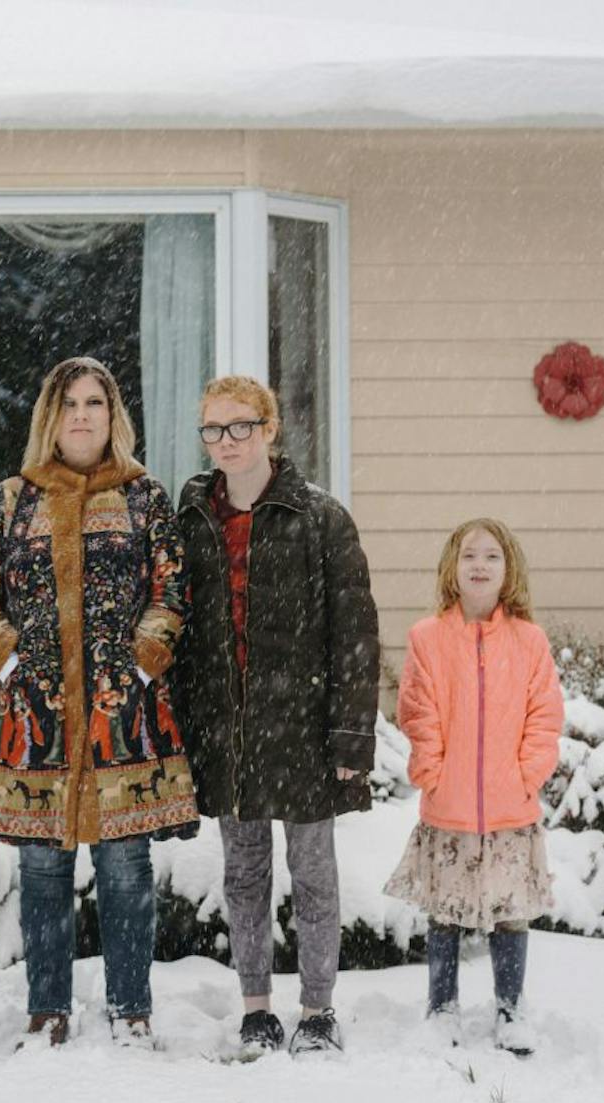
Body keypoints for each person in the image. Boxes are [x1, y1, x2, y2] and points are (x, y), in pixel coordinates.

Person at [0, 356, 199, 1049]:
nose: (83, 416)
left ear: (112, 415)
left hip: (124, 714)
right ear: (50, 418)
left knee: (126, 862)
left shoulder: (144, 497)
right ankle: (47, 1008)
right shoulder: (12, 500)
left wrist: (144, 664)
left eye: (95, 402)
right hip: (34, 713)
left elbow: (172, 588)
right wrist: (6, 661)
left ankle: (131, 1008)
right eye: (70, 404)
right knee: (42, 864)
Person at [172, 375, 380, 1059]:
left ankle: (318, 1008)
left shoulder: (319, 516)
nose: (226, 441)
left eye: (239, 426)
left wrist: (351, 735)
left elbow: (353, 631)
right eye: (213, 429)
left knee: (314, 872)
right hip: (227, 728)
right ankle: (256, 1006)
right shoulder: (194, 516)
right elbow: (182, 632)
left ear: (269, 428)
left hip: (304, 729)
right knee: (245, 872)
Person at [385, 518, 563, 1057]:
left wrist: (527, 774)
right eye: (469, 556)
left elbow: (545, 715)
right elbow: (417, 711)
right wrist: (432, 771)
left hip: (512, 807)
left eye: (491, 556)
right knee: (446, 911)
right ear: (452, 569)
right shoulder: (429, 638)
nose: (480, 565)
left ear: (508, 570)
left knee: (510, 911)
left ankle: (510, 1009)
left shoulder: (529, 641)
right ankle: (442, 1008)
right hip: (450, 806)